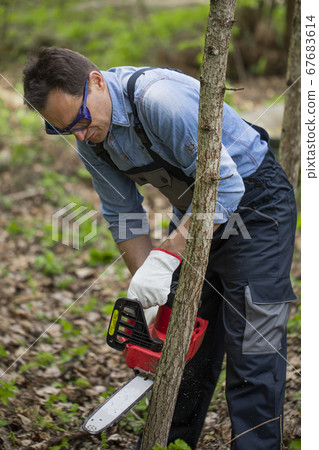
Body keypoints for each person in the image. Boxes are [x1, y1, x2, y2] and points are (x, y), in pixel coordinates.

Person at [23, 47, 297, 450]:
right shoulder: (91, 138)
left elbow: (225, 185)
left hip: (256, 205)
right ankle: (170, 443)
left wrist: (167, 255)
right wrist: (147, 283)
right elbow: (123, 214)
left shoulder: (157, 100)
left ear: (97, 82)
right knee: (180, 342)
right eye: (65, 130)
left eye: (80, 121)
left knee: (254, 346)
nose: (78, 135)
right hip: (195, 212)